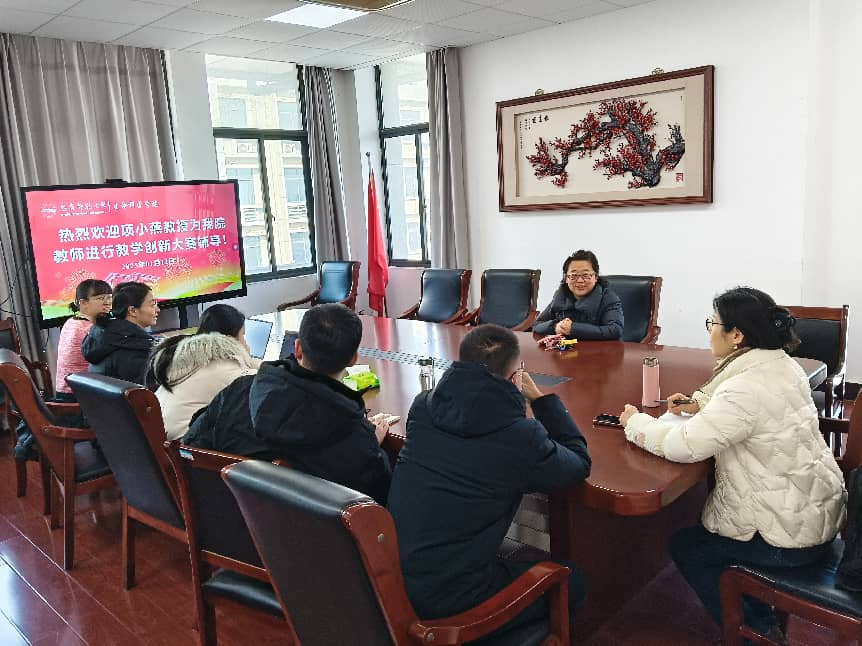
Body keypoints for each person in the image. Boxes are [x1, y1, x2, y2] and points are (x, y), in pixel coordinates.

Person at [619, 287, 847, 640]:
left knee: (688, 547)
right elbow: (741, 403)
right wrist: (700, 404)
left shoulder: (744, 389)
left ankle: (755, 630)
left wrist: (634, 422)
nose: (709, 330)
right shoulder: (782, 364)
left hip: (787, 539)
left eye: (712, 323)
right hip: (816, 512)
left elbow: (683, 445)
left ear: (737, 335)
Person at [387, 324, 592, 638]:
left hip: (393, 581)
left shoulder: (423, 407)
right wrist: (539, 400)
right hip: (451, 602)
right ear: (515, 378)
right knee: (571, 578)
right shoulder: (519, 436)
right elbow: (578, 464)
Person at [185, 303, 393, 504]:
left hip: (219, 516)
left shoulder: (239, 391)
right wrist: (371, 445)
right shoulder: (353, 434)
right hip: (296, 528)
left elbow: (192, 443)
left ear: (298, 348)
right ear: (353, 359)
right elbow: (379, 499)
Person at [149, 304, 260, 441]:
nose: (246, 343)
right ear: (232, 338)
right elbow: (262, 385)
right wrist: (245, 357)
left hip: (161, 441)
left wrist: (246, 359)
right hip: (187, 446)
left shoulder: (187, 359)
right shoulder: (226, 369)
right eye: (243, 335)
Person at [533, 249, 624, 340]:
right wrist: (555, 326)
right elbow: (537, 324)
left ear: (596, 277)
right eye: (574, 276)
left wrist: (573, 329)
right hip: (567, 348)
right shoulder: (561, 296)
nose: (580, 280)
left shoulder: (608, 298)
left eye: (585, 275)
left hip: (599, 348)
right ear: (566, 278)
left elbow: (615, 330)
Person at [82, 282, 159, 384]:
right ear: (133, 311)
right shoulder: (134, 350)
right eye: (152, 304)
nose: (158, 310)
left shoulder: (107, 335)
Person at [54, 279, 112, 401]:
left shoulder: (71, 322)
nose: (107, 302)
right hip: (79, 397)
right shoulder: (89, 329)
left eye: (109, 297)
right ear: (83, 303)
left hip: (65, 392)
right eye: (101, 298)